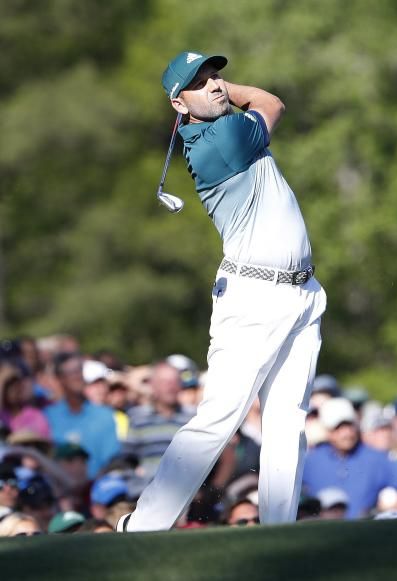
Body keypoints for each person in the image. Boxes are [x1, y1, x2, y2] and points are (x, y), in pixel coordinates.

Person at [120, 51, 327, 532]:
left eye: (216, 76)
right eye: (201, 82)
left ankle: (278, 532)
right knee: (219, 418)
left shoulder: (223, 128)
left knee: (286, 421)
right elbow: (271, 101)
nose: (215, 85)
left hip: (301, 292)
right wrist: (231, 93)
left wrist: (211, 91)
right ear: (179, 104)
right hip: (254, 296)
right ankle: (144, 525)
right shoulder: (223, 138)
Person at [301, 398, 397, 519]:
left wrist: (390, 509)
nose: (347, 433)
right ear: (327, 430)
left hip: (363, 533)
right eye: (339, 427)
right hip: (322, 533)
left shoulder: (375, 458)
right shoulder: (311, 461)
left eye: (350, 426)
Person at [44, 353, 120, 479]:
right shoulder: (49, 416)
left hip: (97, 491)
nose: (77, 376)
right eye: (71, 372)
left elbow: (110, 460)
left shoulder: (104, 415)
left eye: (79, 370)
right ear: (59, 379)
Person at [122, 362, 195, 483]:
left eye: (174, 382)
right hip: (145, 493)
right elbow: (127, 459)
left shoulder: (193, 417)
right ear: (153, 385)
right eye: (165, 382)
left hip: (186, 492)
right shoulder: (138, 417)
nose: (170, 387)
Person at [0, 360, 51, 439]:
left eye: (16, 384)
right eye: (8, 385)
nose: (13, 390)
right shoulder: (2, 416)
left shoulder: (35, 416)